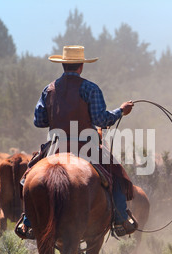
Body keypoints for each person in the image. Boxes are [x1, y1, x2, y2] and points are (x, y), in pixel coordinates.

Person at [16, 45, 137, 240]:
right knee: (116, 174)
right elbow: (101, 120)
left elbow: (39, 121)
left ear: (63, 65)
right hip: (86, 147)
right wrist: (121, 111)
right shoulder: (90, 88)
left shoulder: (49, 90)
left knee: (29, 176)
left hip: (55, 147)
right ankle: (121, 218)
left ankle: (28, 220)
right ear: (81, 66)